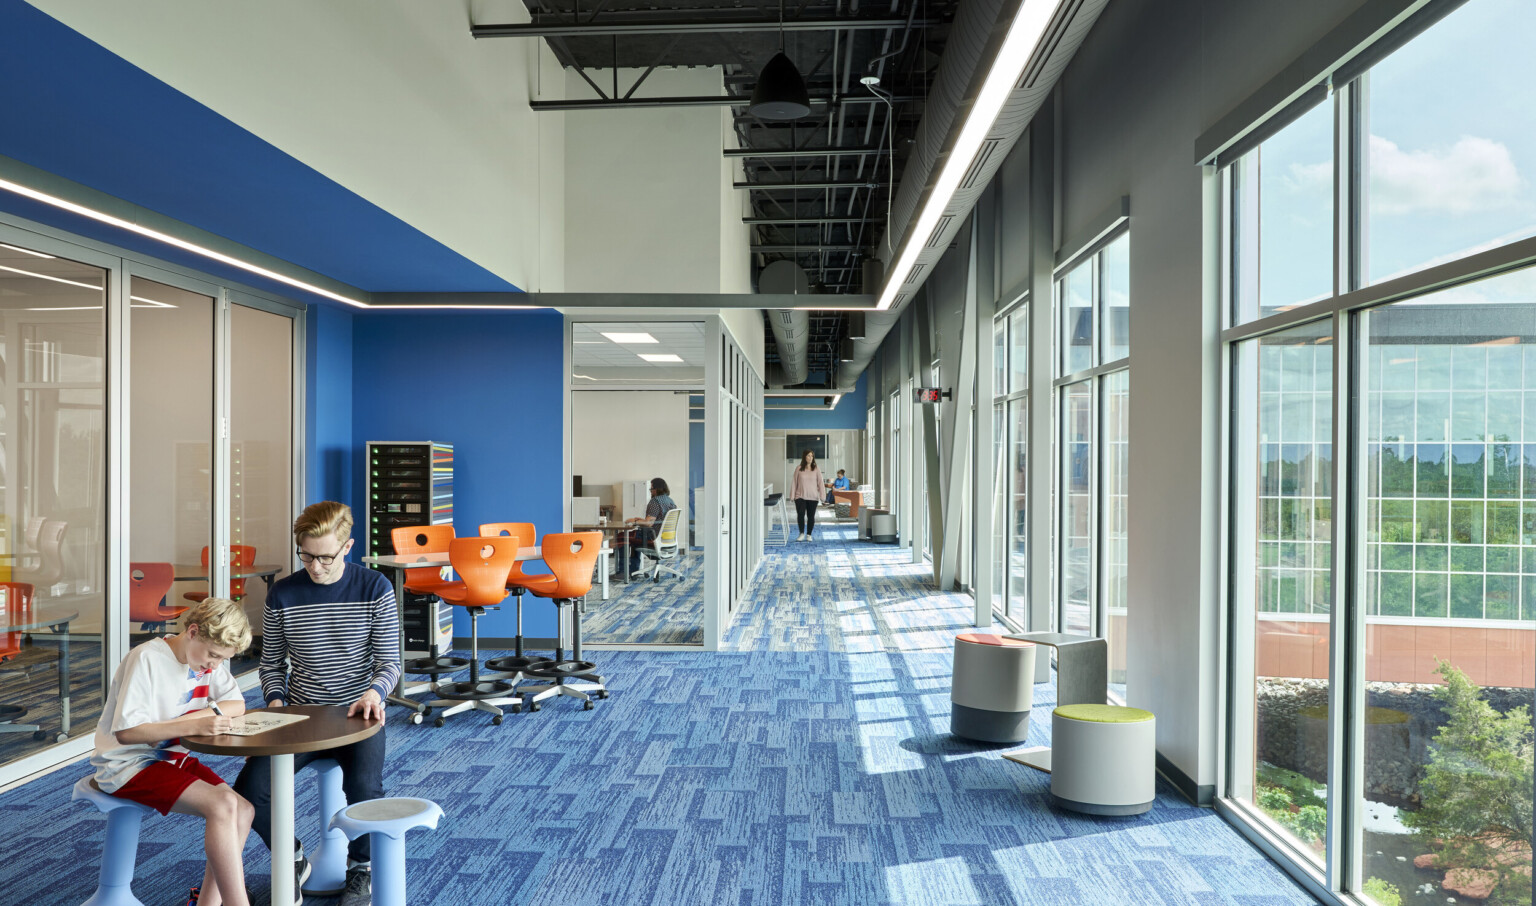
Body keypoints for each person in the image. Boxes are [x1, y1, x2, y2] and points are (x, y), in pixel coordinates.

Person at [233, 501, 400, 906]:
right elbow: (271, 663)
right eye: (306, 556)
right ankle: (291, 859)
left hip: (357, 715)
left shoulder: (374, 587)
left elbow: (389, 662)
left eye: (326, 556)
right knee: (249, 792)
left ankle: (361, 867)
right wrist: (275, 700)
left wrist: (374, 693)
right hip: (301, 716)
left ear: (347, 547)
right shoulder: (283, 593)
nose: (315, 566)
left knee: (364, 788)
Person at [91, 597, 255, 906]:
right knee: (222, 806)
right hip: (128, 764)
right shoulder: (147, 658)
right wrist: (192, 725)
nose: (215, 666)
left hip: (172, 759)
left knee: (243, 810)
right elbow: (127, 733)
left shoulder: (205, 660)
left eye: (222, 660)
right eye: (213, 656)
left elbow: (238, 704)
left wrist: (197, 719)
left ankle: (207, 903)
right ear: (193, 632)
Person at [626, 477, 677, 576]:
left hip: (653, 538)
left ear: (657, 489)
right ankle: (633, 570)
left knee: (624, 537)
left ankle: (624, 572)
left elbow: (649, 523)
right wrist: (641, 520)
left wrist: (635, 520)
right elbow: (658, 520)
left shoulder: (655, 501)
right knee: (632, 536)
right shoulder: (670, 501)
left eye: (651, 489)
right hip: (667, 539)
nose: (650, 491)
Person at [791, 449, 825, 542]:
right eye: (808, 456)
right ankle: (801, 533)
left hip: (813, 497)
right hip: (800, 496)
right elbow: (794, 482)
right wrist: (792, 495)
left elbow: (820, 483)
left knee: (811, 516)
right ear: (804, 457)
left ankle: (809, 534)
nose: (810, 458)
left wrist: (822, 497)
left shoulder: (816, 468)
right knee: (800, 515)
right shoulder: (799, 468)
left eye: (812, 456)